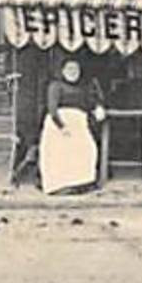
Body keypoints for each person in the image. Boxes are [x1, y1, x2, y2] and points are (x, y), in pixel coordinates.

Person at [40, 59, 106, 195]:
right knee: (60, 154)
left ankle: (81, 183)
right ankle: (59, 186)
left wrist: (98, 107)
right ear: (63, 71)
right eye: (69, 69)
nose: (73, 72)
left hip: (79, 123)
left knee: (87, 149)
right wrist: (61, 127)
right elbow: (52, 108)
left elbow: (91, 101)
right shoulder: (56, 86)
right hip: (60, 123)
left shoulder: (82, 87)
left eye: (76, 69)